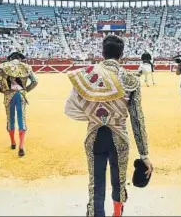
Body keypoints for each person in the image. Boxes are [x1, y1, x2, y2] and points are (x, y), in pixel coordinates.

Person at [65, 35, 153, 217]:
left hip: (94, 135)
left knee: (95, 182)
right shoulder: (130, 79)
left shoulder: (88, 75)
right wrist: (144, 154)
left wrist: (94, 117)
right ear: (121, 55)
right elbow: (137, 119)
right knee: (119, 181)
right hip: (119, 137)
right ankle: (117, 214)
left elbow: (71, 108)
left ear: (102, 53)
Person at [0, 52, 38, 157]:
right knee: (21, 119)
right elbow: (35, 81)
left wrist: (6, 90)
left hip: (9, 96)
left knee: (10, 119)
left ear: (10, 59)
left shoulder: (4, 66)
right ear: (20, 59)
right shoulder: (26, 67)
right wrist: (25, 90)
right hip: (21, 95)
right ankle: (21, 147)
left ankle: (13, 143)